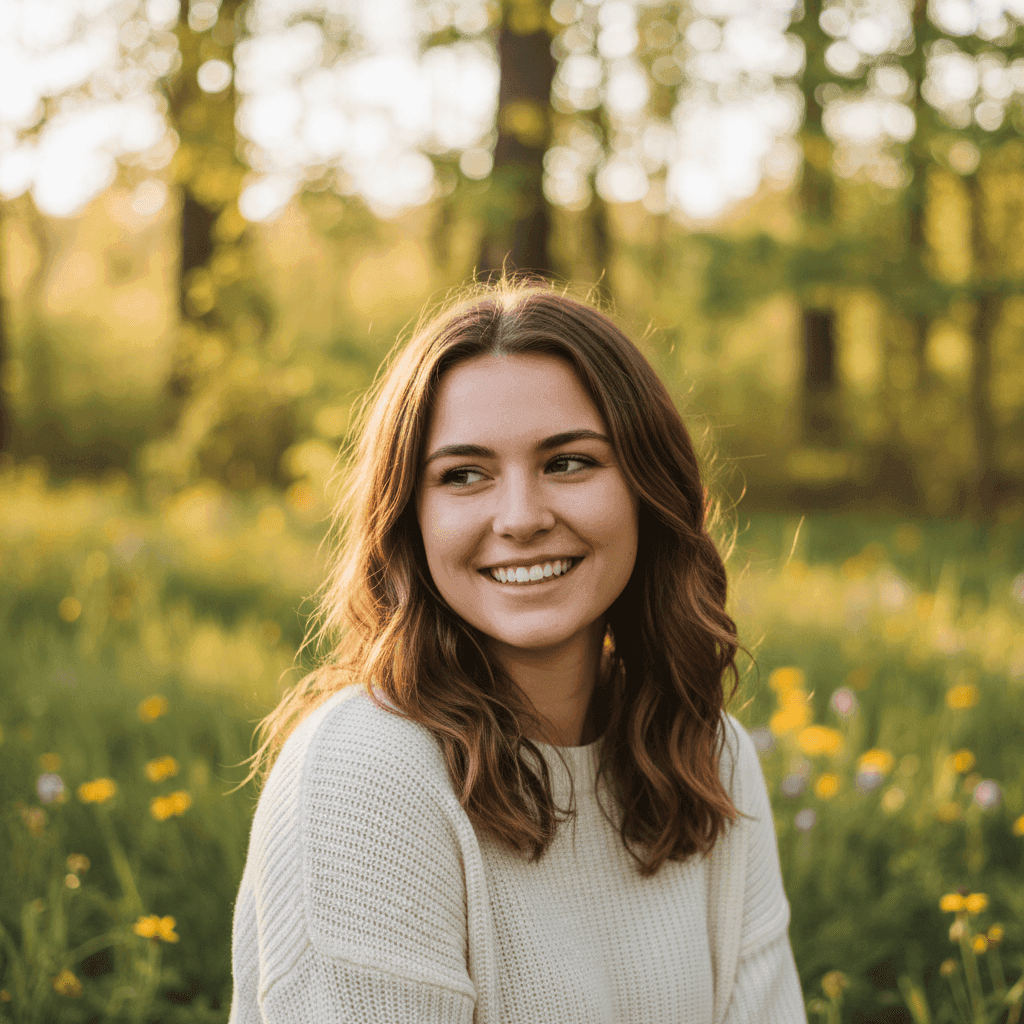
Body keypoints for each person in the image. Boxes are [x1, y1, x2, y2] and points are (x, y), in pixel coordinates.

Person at [228, 279, 807, 1023]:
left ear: (647, 490)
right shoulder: (365, 773)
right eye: (464, 475)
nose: (521, 518)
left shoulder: (707, 754)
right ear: (409, 519)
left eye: (568, 463)